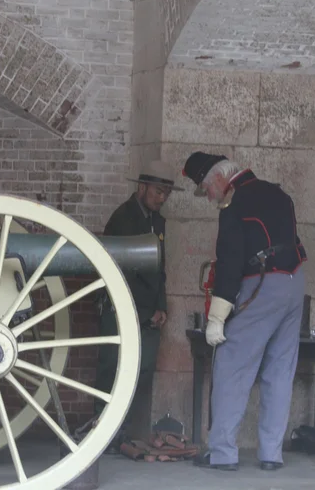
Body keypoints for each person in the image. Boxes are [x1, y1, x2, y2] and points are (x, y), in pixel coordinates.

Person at [182, 151, 307, 471]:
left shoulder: (233, 202)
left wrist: (216, 319)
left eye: (206, 189)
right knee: (280, 371)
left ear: (219, 179)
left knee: (231, 367)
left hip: (262, 284)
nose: (208, 197)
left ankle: (223, 453)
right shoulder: (278, 193)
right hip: (294, 284)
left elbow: (230, 264)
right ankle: (271, 454)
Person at [94, 159, 184, 446]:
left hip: (148, 310)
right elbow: (119, 270)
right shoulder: (122, 218)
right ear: (142, 187)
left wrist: (161, 307)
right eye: (158, 191)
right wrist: (144, 310)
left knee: (142, 371)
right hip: (120, 306)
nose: (162, 198)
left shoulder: (158, 222)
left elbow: (160, 268)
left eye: (166, 193)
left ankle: (129, 433)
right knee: (111, 369)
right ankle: (102, 433)